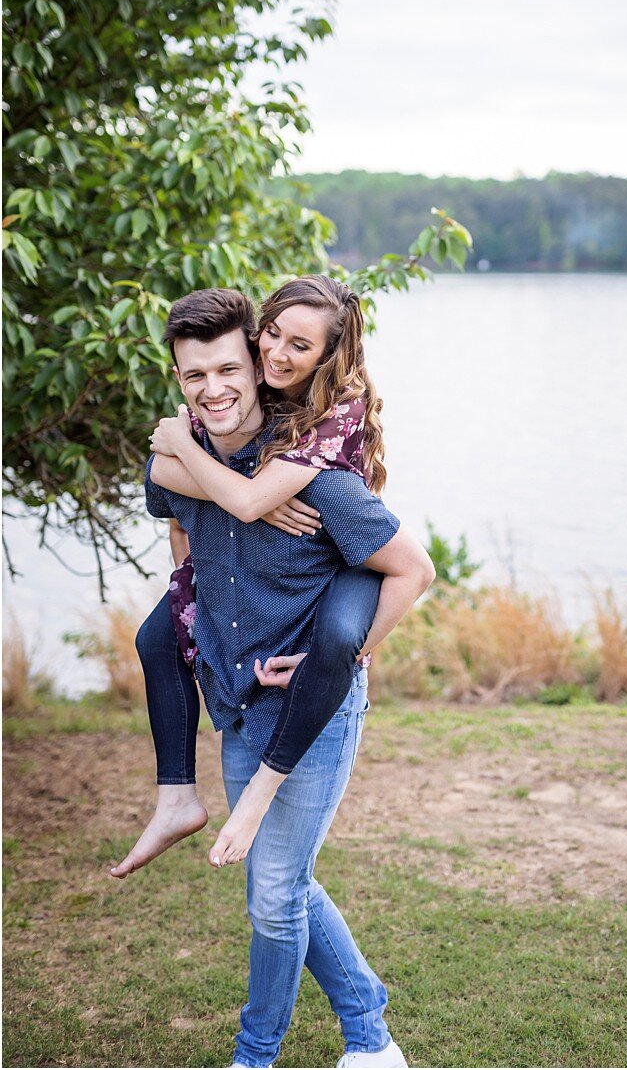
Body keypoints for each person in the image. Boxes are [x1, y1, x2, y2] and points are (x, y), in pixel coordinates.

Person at [140, 286, 434, 1069]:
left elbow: (413, 569)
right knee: (286, 883)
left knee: (272, 893)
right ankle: (371, 1036)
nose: (225, 382)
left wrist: (350, 650)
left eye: (233, 365)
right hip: (239, 705)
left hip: (315, 705)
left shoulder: (315, 474)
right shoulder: (188, 458)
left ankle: (254, 1056)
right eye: (195, 376)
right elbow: (179, 518)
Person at [111, 275, 387, 877]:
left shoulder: (329, 416)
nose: (279, 353)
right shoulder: (243, 405)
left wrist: (263, 493)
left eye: (300, 346)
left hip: (347, 558)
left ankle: (261, 783)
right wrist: (185, 457)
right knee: (155, 637)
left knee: (338, 641)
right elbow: (172, 489)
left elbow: (251, 499)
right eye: (273, 336)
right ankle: (175, 795)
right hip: (263, 502)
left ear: (326, 355)